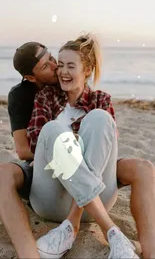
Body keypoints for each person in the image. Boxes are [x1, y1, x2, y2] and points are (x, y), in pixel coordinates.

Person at [0, 39, 154, 259]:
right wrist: (70, 143)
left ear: (87, 70)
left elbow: (108, 145)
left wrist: (75, 149)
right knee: (54, 130)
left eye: (67, 65)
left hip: (99, 199)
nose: (59, 70)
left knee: (101, 120)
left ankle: (146, 252)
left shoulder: (101, 99)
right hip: (51, 196)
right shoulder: (43, 97)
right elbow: (32, 146)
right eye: (57, 65)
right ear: (32, 77)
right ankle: (110, 229)